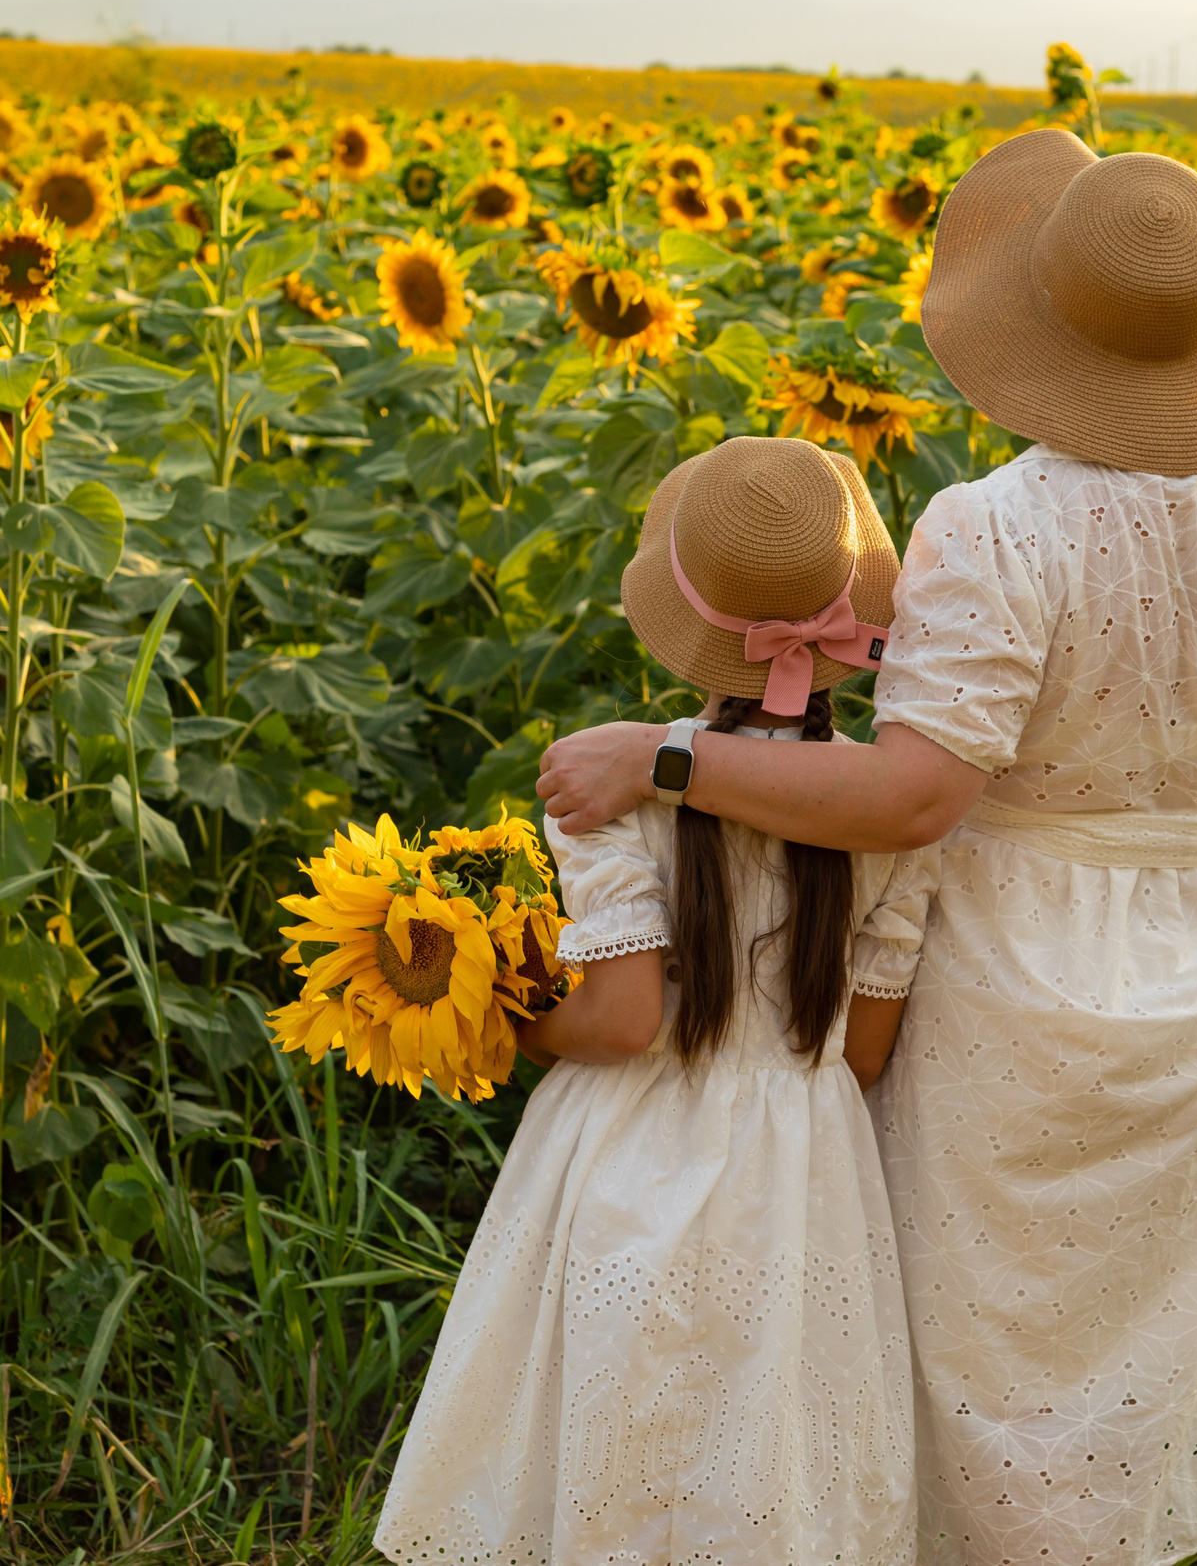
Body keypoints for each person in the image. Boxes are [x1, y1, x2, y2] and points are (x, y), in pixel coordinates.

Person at [539, 131, 1197, 1566]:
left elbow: (916, 795)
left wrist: (666, 754)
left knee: (982, 1333)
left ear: (1045, 327)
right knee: (1148, 1311)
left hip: (1023, 954)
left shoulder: (1000, 528)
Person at [377, 435, 938, 1566]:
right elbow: (866, 1053)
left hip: (636, 1140)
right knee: (777, 1425)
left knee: (623, 1409)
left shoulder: (615, 791)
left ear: (685, 630)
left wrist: (511, 1025)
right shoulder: (888, 812)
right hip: (805, 1155)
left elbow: (627, 1018)